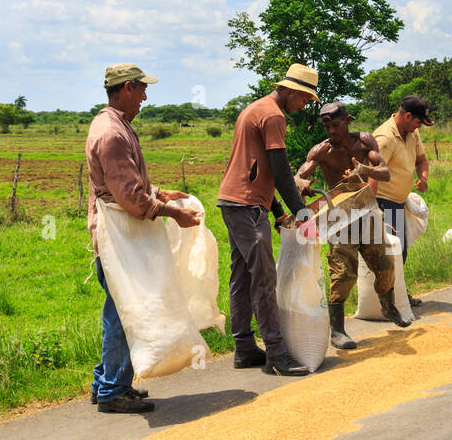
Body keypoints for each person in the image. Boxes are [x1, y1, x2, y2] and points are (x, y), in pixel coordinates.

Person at [86, 63, 199, 413]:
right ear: (127, 88)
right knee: (124, 312)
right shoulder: (113, 134)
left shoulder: (116, 126)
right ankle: (111, 392)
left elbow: (130, 185)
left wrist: (162, 193)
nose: (146, 97)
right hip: (119, 239)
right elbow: (131, 198)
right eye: (142, 88)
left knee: (122, 309)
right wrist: (174, 213)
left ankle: (109, 383)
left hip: (121, 237)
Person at [217, 63, 318, 376]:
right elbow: (280, 170)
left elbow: (253, 167)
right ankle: (276, 353)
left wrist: (276, 211)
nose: (303, 106)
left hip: (235, 202)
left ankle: (244, 348)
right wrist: (304, 215)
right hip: (247, 207)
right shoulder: (273, 115)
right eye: (304, 99)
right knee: (263, 278)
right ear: (291, 90)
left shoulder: (255, 109)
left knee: (242, 277)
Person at [295, 101, 408, 349]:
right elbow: (299, 176)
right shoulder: (321, 151)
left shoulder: (365, 141)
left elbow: (384, 172)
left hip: (366, 210)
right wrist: (300, 183)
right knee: (343, 273)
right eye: (327, 127)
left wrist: (363, 169)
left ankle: (389, 307)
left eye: (336, 125)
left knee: (385, 265)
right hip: (338, 217)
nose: (332, 131)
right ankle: (337, 331)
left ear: (348, 120)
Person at [371, 95, 430, 306]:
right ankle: (389, 301)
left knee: (399, 251)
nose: (419, 127)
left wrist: (422, 178)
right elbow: (372, 173)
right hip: (383, 202)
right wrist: (374, 210)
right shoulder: (385, 138)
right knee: (390, 253)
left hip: (398, 202)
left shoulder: (411, 133)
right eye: (417, 122)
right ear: (407, 116)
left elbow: (421, 160)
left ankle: (398, 295)